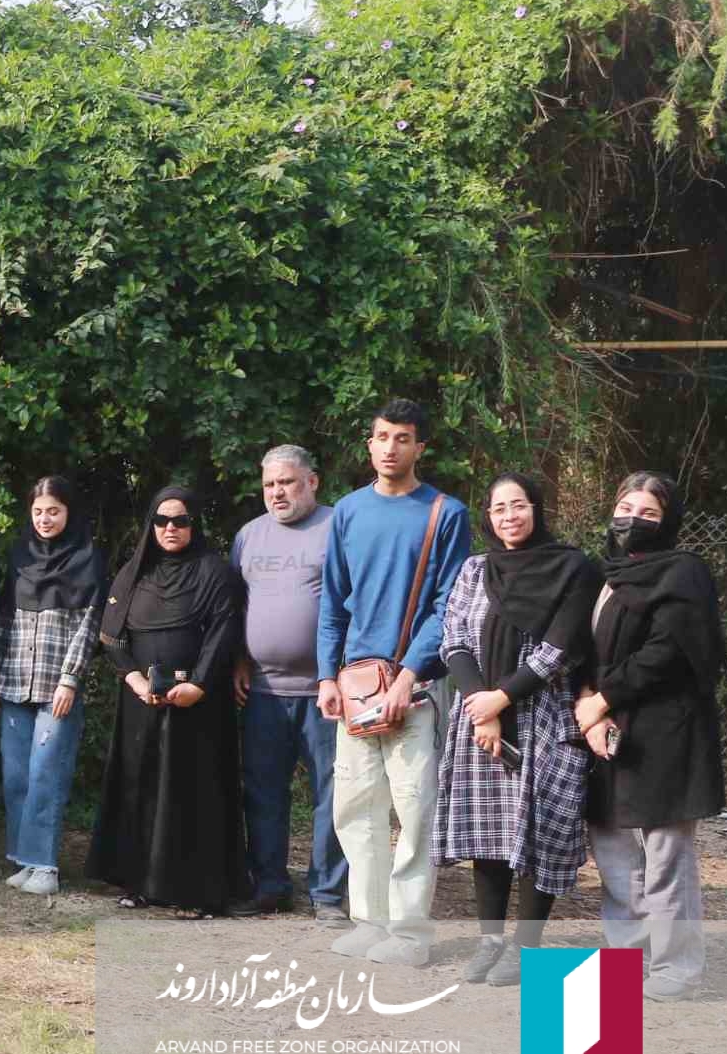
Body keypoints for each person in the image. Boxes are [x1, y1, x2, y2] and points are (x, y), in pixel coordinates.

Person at [316, 399, 471, 967]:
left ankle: (409, 934)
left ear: (420, 447)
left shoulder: (445, 513)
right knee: (355, 808)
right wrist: (326, 675)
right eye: (382, 437)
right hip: (354, 685)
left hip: (417, 687)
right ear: (370, 444)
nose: (390, 448)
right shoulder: (348, 511)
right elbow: (333, 600)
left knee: (414, 809)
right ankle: (370, 921)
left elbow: (448, 604)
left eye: (402, 438)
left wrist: (410, 674)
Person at [433, 473, 602, 986]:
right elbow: (454, 639)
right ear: (488, 516)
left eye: (519, 505)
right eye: (499, 508)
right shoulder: (474, 569)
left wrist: (500, 699)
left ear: (537, 508)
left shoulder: (572, 568)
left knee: (538, 832)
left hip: (543, 716)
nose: (509, 516)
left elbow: (561, 647)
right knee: (488, 833)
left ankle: (526, 946)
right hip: (478, 718)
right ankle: (490, 941)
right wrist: (481, 708)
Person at [577, 472, 724, 1002]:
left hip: (666, 731)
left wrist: (602, 700)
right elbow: (585, 649)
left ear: (669, 522)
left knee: (664, 855)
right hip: (605, 730)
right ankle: (627, 960)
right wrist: (590, 709)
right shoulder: (606, 575)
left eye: (648, 514)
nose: (632, 521)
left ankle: (675, 967)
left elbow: (666, 651)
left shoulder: (683, 573)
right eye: (625, 508)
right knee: (614, 850)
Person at [87, 487, 247, 917]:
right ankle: (142, 883)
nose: (170, 528)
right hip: (142, 703)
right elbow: (111, 636)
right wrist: (134, 679)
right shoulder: (134, 573)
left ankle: (196, 893)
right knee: (141, 789)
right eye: (161, 520)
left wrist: (199, 684)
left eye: (180, 520)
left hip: (198, 707)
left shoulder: (216, 573)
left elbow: (223, 631)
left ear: (194, 524)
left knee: (192, 795)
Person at [231, 446, 349, 922]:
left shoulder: (339, 526)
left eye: (287, 482)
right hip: (262, 691)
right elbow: (236, 605)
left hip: (326, 693)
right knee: (263, 793)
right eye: (269, 485)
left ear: (312, 482)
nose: (277, 493)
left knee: (333, 794)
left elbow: (358, 603)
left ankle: (327, 893)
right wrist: (240, 659)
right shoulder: (248, 535)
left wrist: (341, 673)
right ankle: (270, 886)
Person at [0, 475, 107, 897]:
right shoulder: (20, 556)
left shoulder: (87, 559)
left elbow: (90, 626)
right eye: (38, 511)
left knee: (47, 773)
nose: (45, 519)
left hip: (57, 686)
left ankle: (45, 865)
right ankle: (23, 858)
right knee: (16, 776)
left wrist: (70, 679)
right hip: (14, 683)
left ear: (69, 513)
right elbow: (5, 619)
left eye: (54, 511)